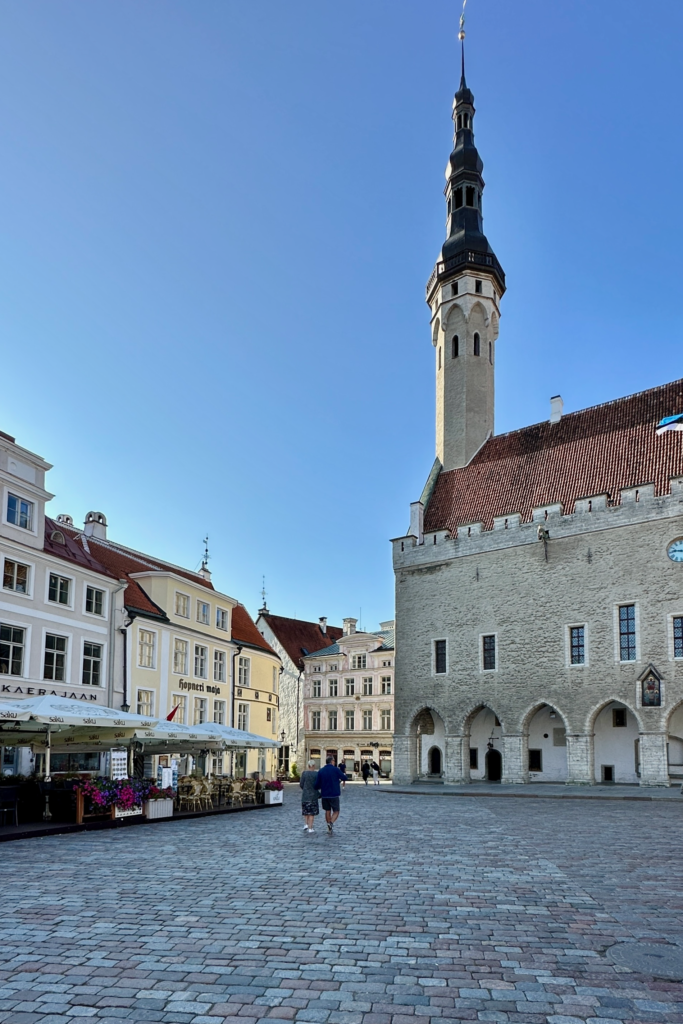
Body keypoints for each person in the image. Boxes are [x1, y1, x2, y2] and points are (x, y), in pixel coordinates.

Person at [314, 756, 347, 833]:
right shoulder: (335, 769)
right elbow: (344, 778)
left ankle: (329, 826)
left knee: (327, 811)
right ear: (332, 761)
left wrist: (319, 787)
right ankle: (331, 823)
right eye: (334, 761)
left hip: (325, 794)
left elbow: (317, 784)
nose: (334, 762)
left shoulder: (321, 770)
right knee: (336, 811)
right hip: (334, 794)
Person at [299, 760, 321, 833]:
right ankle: (310, 828)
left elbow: (301, 784)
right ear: (314, 766)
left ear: (308, 766)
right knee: (312, 813)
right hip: (313, 796)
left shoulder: (304, 773)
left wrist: (305, 789)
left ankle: (306, 824)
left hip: (305, 795)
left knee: (306, 811)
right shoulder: (316, 774)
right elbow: (318, 785)